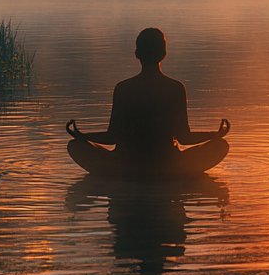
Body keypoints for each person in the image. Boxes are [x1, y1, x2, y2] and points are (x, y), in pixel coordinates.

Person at [67, 28, 230, 176]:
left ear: (137, 54)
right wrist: (215, 135)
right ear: (164, 54)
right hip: (169, 165)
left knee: (75, 145)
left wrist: (82, 136)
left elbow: (113, 137)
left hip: (126, 165)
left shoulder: (124, 88)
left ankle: (127, 176)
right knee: (220, 145)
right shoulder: (175, 88)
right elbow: (184, 138)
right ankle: (171, 176)